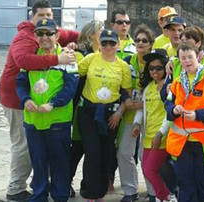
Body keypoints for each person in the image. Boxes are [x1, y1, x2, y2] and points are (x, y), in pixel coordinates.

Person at [0, 0, 78, 200]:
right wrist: (25, 99)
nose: (45, 36)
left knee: (59, 161)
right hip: (32, 118)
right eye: (40, 32)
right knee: (33, 157)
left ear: (56, 34)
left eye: (49, 31)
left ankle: (60, 194)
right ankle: (24, 191)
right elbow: (22, 76)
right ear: (32, 20)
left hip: (57, 120)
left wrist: (91, 41)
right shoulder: (25, 43)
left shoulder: (67, 57)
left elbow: (70, 88)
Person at [165, 43, 204, 202]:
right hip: (183, 144)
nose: (187, 61)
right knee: (186, 188)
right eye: (183, 58)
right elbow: (168, 104)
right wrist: (173, 110)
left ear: (198, 57)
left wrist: (197, 115)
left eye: (190, 57)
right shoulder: (178, 82)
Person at [77, 29, 131, 201]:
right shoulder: (90, 59)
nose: (108, 47)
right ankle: (89, 193)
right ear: (99, 45)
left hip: (111, 115)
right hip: (88, 113)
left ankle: (99, 191)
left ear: (118, 45)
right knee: (92, 151)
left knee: (106, 153)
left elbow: (127, 94)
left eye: (112, 43)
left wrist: (119, 113)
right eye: (104, 43)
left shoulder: (123, 66)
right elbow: (73, 75)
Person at [130, 49, 177, 202]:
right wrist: (137, 124)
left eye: (158, 68)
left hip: (162, 136)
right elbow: (143, 110)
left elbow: (170, 114)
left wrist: (161, 133)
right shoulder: (148, 88)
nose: (154, 71)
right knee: (147, 169)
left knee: (150, 169)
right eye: (151, 68)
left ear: (166, 68)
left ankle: (165, 197)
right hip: (147, 136)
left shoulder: (169, 87)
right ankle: (165, 196)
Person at [118, 24, 155, 202]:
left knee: (144, 155)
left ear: (151, 44)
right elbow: (122, 86)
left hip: (150, 116)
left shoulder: (154, 63)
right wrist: (126, 101)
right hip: (131, 112)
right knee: (124, 153)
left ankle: (153, 192)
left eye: (144, 41)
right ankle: (130, 190)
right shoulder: (127, 60)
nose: (140, 43)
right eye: (138, 40)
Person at [69, 20, 104, 197]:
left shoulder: (103, 53)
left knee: (91, 149)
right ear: (91, 34)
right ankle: (65, 182)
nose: (104, 32)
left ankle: (86, 184)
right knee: (77, 148)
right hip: (80, 108)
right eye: (101, 30)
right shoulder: (80, 53)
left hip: (96, 110)